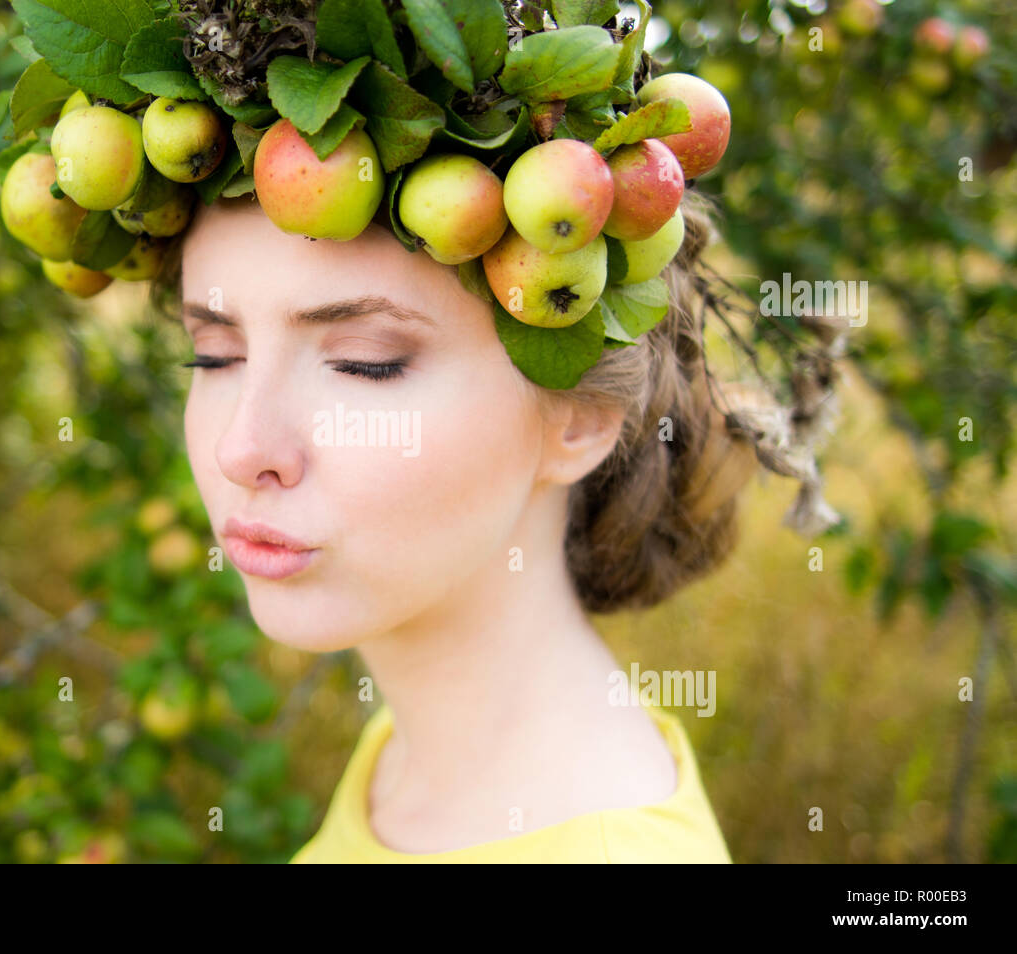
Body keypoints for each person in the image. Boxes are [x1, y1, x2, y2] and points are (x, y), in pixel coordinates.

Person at [166, 187, 756, 862]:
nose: (240, 450)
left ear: (580, 414)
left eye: (365, 363)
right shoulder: (409, 762)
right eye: (214, 355)